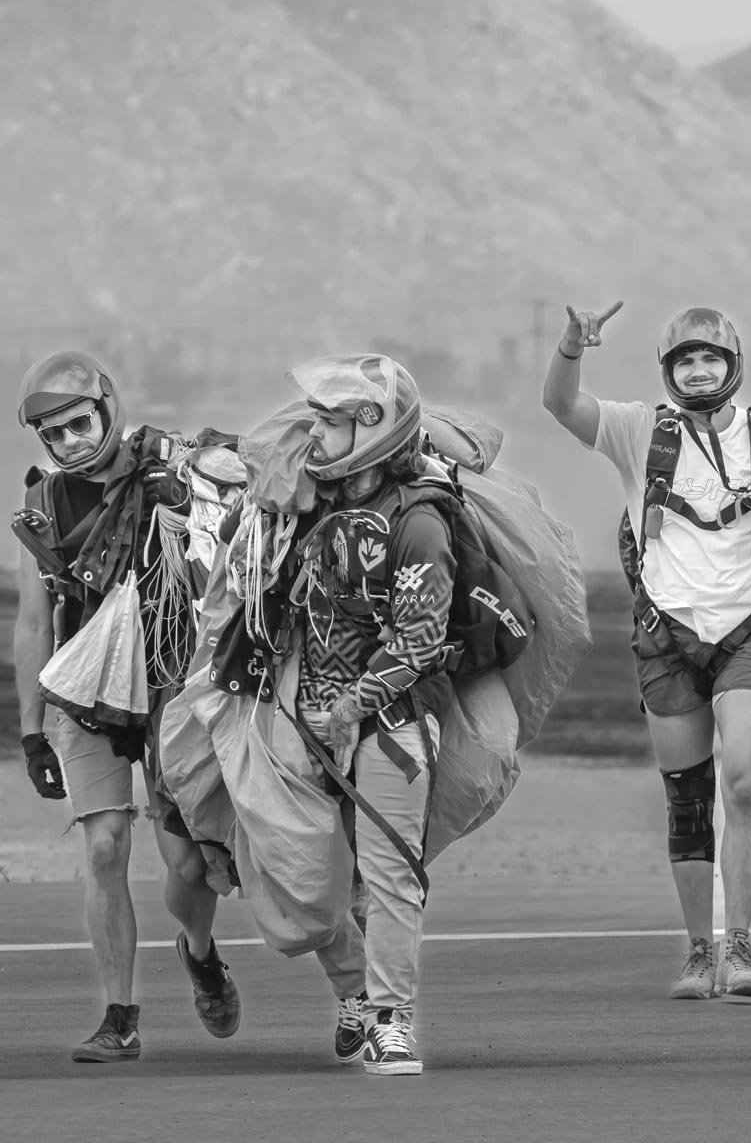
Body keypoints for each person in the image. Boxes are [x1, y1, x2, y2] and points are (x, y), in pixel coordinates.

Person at [544, 302, 751, 1002]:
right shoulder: (639, 430)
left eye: (711, 357)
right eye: (685, 360)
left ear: (733, 364)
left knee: (744, 783)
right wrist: (570, 346)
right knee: (687, 800)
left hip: (748, 633)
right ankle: (699, 952)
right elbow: (561, 404)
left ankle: (739, 946)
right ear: (667, 371)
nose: (699, 370)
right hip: (665, 639)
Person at [13, 351, 240, 1062]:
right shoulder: (44, 505)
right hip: (87, 694)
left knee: (189, 864)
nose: (70, 441)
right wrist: (30, 733)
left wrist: (191, 507)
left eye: (79, 424)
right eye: (54, 433)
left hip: (172, 685)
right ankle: (120, 1018)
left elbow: (233, 560)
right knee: (105, 846)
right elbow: (33, 624)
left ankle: (199, 952)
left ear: (106, 409)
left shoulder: (173, 471)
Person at [262, 354, 463, 1074]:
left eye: (330, 420)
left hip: (393, 722)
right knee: (304, 877)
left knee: (387, 874)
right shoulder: (307, 504)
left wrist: (349, 709)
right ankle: (354, 990)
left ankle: (389, 1019)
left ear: (372, 428)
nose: (314, 431)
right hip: (303, 722)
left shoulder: (420, 523)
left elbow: (420, 638)